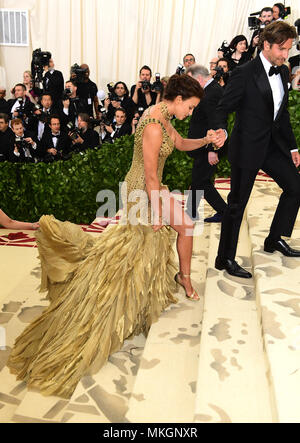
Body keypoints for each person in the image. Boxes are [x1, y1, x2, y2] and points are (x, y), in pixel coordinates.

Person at [7, 74, 222, 399]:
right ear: (178, 99)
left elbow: (179, 144)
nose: (190, 113)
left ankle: (181, 277)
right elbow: (150, 175)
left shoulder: (163, 115)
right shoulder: (152, 125)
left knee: (169, 234)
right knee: (139, 247)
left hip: (151, 188)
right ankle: (160, 286)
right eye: (190, 107)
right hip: (143, 191)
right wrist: (154, 211)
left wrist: (205, 140)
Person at [214, 21, 300, 280]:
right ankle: (225, 257)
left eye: (288, 49)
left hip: (272, 146)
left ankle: (274, 239)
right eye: (282, 49)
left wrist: (293, 146)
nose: (285, 55)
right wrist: (221, 131)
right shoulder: (244, 73)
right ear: (266, 45)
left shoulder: (282, 72)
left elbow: (281, 115)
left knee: (295, 188)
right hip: (247, 147)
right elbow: (222, 108)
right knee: (237, 205)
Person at [185, 65, 227, 223]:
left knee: (201, 181)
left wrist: (212, 149)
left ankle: (224, 211)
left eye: (191, 82)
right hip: (202, 145)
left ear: (199, 79)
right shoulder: (209, 91)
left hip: (208, 146)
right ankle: (190, 212)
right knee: (198, 178)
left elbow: (217, 123)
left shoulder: (212, 93)